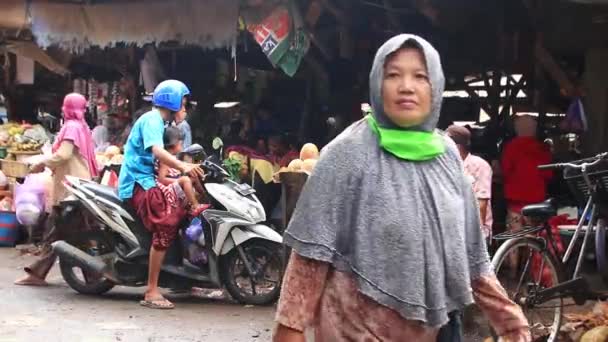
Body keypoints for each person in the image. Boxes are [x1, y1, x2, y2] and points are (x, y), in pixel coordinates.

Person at [273, 34, 530, 342]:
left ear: (435, 87)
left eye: (420, 76)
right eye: (393, 74)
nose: (406, 86)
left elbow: (472, 254)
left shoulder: (447, 156)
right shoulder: (346, 154)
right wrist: (290, 329)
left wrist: (511, 323)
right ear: (376, 84)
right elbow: (309, 258)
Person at [118, 80, 203, 309]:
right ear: (172, 102)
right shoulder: (152, 120)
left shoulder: (161, 122)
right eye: (183, 104)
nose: (185, 109)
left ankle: (178, 274)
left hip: (147, 180)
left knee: (184, 205)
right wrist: (183, 167)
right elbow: (157, 150)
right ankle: (152, 290)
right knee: (166, 221)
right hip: (138, 183)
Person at [15, 93, 99, 286]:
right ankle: (91, 276)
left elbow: (63, 154)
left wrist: (41, 163)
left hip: (69, 187)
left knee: (61, 231)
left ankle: (40, 274)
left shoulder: (71, 127)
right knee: (69, 232)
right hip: (77, 185)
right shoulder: (82, 127)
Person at [502, 115, 553, 234]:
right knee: (532, 238)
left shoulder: (510, 147)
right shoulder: (542, 149)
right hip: (535, 201)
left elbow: (505, 170)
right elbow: (548, 174)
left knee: (514, 237)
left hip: (515, 201)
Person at [447, 124, 494, 241]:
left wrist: (477, 236)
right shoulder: (446, 164)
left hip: (473, 231)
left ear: (457, 147)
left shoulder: (480, 165)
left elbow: (482, 202)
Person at [157, 126, 208, 217]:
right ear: (175, 144)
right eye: (181, 143)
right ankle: (195, 206)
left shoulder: (174, 158)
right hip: (166, 187)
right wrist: (179, 180)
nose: (182, 146)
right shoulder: (166, 160)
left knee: (193, 176)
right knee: (186, 180)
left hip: (174, 182)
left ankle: (205, 197)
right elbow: (161, 179)